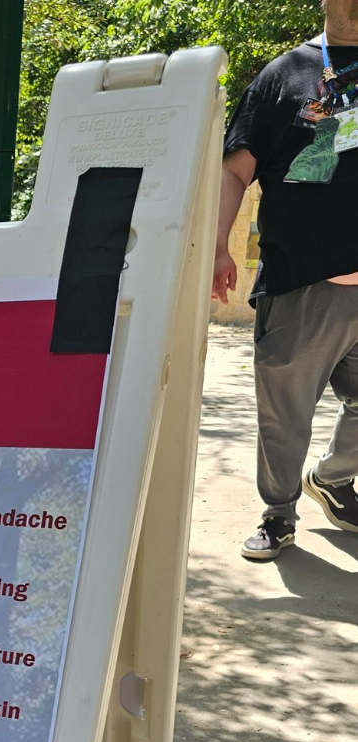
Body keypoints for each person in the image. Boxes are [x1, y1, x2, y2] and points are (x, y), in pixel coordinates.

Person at [214, 0, 358, 560]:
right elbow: (235, 169)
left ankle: (333, 479)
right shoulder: (284, 75)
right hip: (302, 285)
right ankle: (278, 514)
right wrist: (218, 245)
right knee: (285, 418)